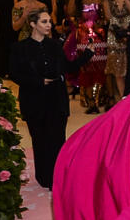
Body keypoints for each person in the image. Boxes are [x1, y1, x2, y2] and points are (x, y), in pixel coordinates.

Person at [9, 10, 93, 189]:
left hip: (56, 98)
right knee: (40, 140)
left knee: (57, 139)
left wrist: (87, 54)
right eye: (44, 22)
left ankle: (57, 178)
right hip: (34, 99)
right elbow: (15, 74)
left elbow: (68, 67)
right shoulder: (20, 48)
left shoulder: (55, 45)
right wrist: (38, 81)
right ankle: (44, 177)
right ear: (33, 24)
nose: (49, 25)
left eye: (49, 21)